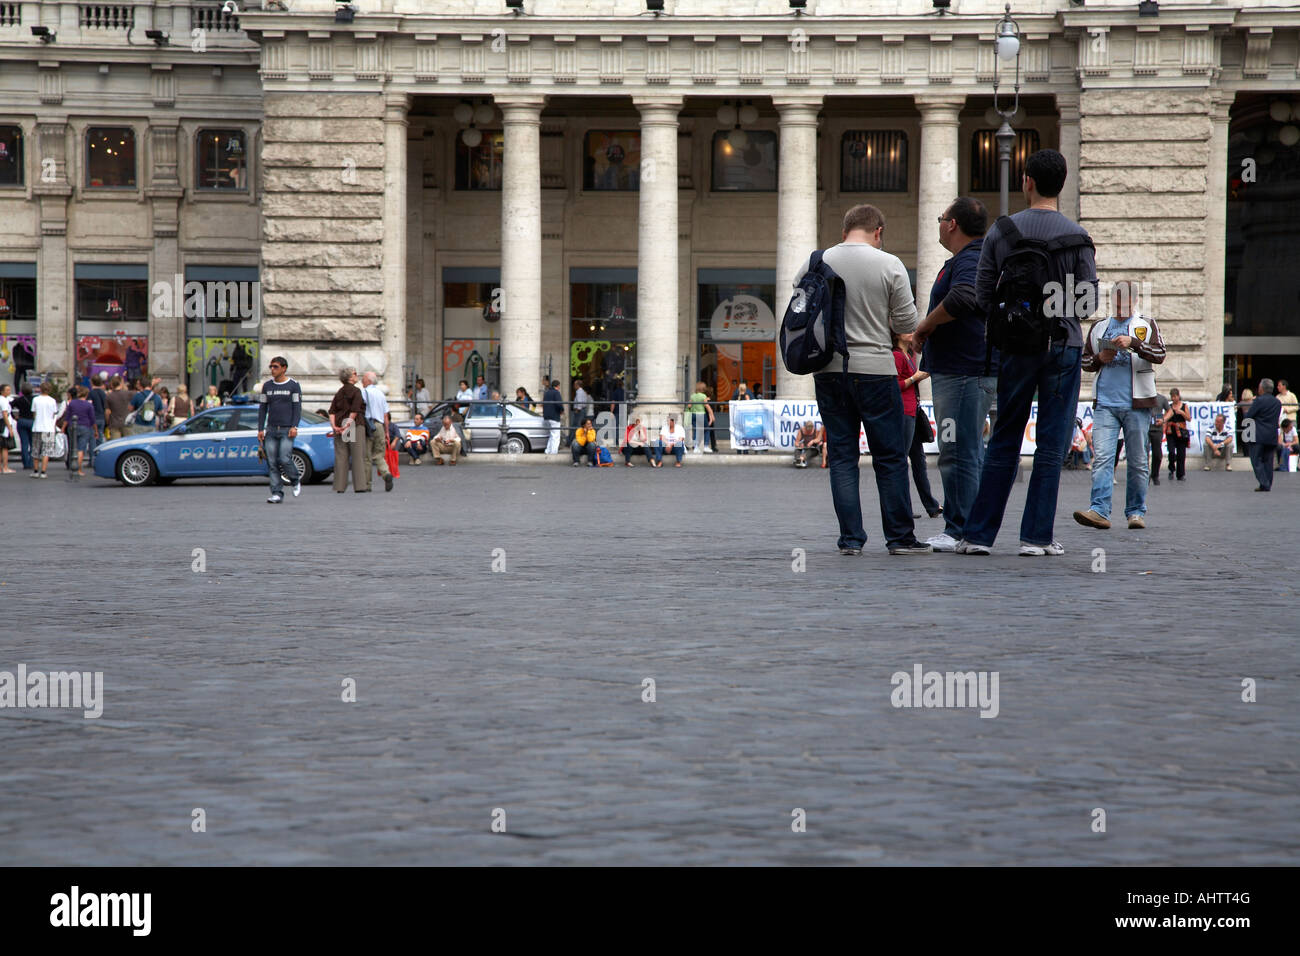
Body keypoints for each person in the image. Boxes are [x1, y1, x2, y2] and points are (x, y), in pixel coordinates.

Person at [958, 149, 1098, 557]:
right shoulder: (1078, 237)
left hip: (1016, 348)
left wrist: (1017, 317)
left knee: (1003, 438)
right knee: (1052, 445)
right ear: (1062, 184)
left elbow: (982, 294)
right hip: (1063, 346)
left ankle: (978, 536)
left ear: (1026, 182)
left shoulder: (1002, 232)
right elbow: (1087, 304)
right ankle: (1035, 538)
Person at [794, 204, 929, 555]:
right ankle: (899, 538)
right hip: (876, 370)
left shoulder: (815, 262)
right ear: (878, 232)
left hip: (829, 372)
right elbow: (906, 324)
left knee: (841, 456)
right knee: (890, 457)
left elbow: (799, 304)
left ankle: (851, 540)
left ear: (844, 231)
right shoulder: (890, 264)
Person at [910, 196, 994, 551]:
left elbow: (963, 298)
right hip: (959, 369)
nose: (939, 224)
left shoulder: (971, 259)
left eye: (940, 218)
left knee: (956, 450)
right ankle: (966, 527)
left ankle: (960, 528)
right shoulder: (966, 259)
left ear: (952, 224)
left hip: (963, 371)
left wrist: (924, 327)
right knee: (963, 449)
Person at [1073, 280, 1166, 531]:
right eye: (1116, 303)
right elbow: (1085, 361)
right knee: (1103, 457)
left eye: (1125, 303)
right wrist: (1099, 358)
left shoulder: (1145, 325)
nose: (1120, 308)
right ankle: (1099, 510)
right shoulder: (1099, 327)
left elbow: (1160, 355)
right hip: (1105, 403)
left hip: (1138, 404)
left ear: (1135, 301)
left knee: (1137, 461)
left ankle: (1136, 512)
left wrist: (1134, 344)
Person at [891, 331, 938, 517]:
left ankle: (931, 506)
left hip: (913, 411)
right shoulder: (896, 355)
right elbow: (895, 385)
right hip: (904, 411)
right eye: (907, 330)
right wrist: (915, 377)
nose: (912, 332)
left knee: (919, 461)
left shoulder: (909, 355)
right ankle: (904, 508)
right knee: (902, 461)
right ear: (896, 335)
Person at [257, 355, 303, 503]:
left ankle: (295, 480)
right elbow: (263, 408)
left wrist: (294, 426)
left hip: (286, 429)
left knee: (284, 458)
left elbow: (297, 407)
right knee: (271, 462)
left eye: (275, 367)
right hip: (271, 429)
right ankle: (277, 492)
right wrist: (260, 429)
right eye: (271, 366)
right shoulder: (267, 386)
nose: (272, 369)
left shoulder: (293, 385)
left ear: (284, 368)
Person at [328, 366, 367, 492]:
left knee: (341, 456)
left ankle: (339, 486)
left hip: (339, 424)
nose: (357, 375)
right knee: (357, 456)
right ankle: (360, 485)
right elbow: (355, 410)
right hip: (354, 425)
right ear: (350, 377)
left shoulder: (339, 392)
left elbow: (332, 411)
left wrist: (335, 426)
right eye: (355, 373)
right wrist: (347, 425)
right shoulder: (356, 391)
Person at [1243, 378, 1282, 492]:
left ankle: (1264, 483)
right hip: (1271, 435)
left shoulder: (1259, 401)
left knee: (1256, 460)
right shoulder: (1277, 402)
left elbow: (1249, 416)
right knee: (1268, 461)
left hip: (1258, 435)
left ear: (1262, 388)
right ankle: (1267, 483)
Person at [360, 370, 394, 491]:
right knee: (379, 455)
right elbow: (386, 415)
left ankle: (367, 485)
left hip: (369, 426)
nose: (361, 381)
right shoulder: (381, 394)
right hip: (379, 426)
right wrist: (387, 432)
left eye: (363, 379)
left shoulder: (364, 392)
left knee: (367, 457)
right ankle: (386, 473)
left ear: (368, 380)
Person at [59, 385, 97, 477]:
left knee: (73, 447)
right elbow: (92, 419)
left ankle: (72, 466)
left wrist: (63, 428)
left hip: (72, 427)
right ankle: (78, 469)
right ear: (86, 394)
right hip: (85, 427)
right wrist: (95, 430)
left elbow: (67, 417)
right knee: (81, 448)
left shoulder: (72, 403)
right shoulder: (89, 405)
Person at [1161, 387, 1191, 481]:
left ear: (1178, 396)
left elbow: (1189, 418)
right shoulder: (1169, 407)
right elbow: (1165, 418)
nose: (1173, 398)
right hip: (1171, 431)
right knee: (1171, 451)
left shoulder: (1184, 406)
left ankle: (1180, 474)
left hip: (1181, 432)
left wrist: (1181, 412)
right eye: (1172, 397)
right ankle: (1171, 469)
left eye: (1175, 396)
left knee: (1181, 453)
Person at [30, 381, 58, 479]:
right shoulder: (52, 401)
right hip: (49, 428)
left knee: (36, 449)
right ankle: (43, 471)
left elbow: (34, 413)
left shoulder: (35, 400)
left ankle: (36, 470)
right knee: (47, 450)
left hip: (37, 427)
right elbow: (54, 414)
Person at [1147, 390, 1171, 484]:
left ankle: (1155, 474)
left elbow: (1170, 411)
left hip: (1157, 429)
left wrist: (1164, 419)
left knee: (1157, 454)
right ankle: (1145, 475)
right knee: (1144, 453)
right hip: (1145, 429)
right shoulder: (1143, 397)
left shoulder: (1161, 398)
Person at [688, 381, 715, 453]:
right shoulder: (703, 396)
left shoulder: (693, 396)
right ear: (703, 389)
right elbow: (707, 406)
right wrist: (711, 416)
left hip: (693, 414)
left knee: (696, 430)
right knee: (706, 429)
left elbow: (689, 406)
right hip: (701, 414)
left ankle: (695, 447)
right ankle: (705, 446)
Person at [12, 382, 34, 469]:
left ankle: (25, 463)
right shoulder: (34, 399)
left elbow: (9, 406)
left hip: (21, 420)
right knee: (32, 443)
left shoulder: (19, 399)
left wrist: (14, 417)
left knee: (24, 443)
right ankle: (31, 462)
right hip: (32, 421)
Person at [104, 376, 132, 441]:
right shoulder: (128, 394)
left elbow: (107, 412)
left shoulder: (109, 396)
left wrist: (108, 422)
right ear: (121, 383)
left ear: (111, 385)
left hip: (114, 424)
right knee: (128, 443)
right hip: (126, 422)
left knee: (115, 444)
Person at [1276, 380, 1298, 455]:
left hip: (1291, 419)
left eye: (1279, 385)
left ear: (1284, 386)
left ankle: (1294, 458)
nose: (1277, 387)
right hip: (1281, 420)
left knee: (1293, 437)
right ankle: (1282, 459)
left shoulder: (1292, 395)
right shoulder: (1277, 397)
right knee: (1281, 437)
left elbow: (1297, 406)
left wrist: (1287, 409)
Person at [542, 378, 563, 454]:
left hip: (546, 417)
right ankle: (553, 452)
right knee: (556, 435)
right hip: (554, 416)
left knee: (551, 434)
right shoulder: (556, 392)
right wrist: (562, 410)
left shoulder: (546, 392)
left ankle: (548, 451)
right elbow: (559, 404)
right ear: (557, 386)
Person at [89, 374, 107, 454]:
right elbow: (105, 406)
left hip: (93, 418)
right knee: (100, 437)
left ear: (92, 383)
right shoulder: (103, 393)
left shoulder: (91, 393)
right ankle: (99, 454)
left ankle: (93, 458)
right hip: (102, 417)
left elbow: (89, 406)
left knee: (93, 438)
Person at [0, 383, 15, 474]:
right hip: (4, 424)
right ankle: (5, 467)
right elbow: (5, 414)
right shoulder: (4, 401)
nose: (9, 392)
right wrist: (10, 428)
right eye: (7, 390)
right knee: (5, 447)